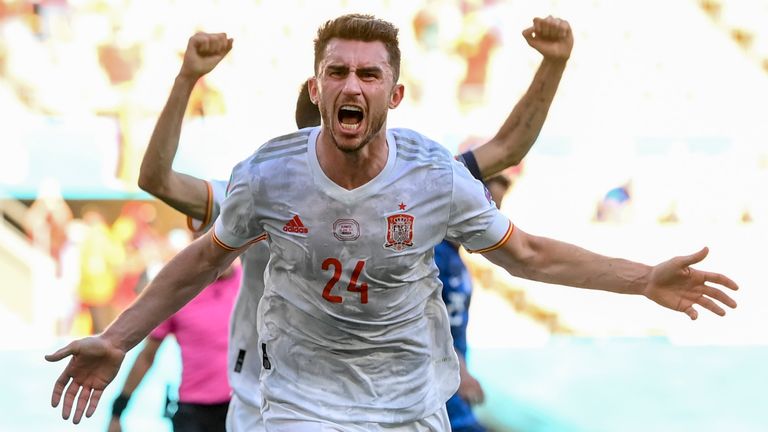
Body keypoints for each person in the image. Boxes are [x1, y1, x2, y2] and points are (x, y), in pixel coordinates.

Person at [47, 14, 739, 430]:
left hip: (405, 404)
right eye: (336, 75)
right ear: (316, 92)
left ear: (395, 94)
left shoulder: (434, 178)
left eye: (368, 76)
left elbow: (525, 243)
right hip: (287, 401)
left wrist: (644, 277)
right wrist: (117, 335)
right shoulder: (261, 180)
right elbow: (193, 247)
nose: (351, 87)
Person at [135, 14, 571, 432]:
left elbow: (507, 150)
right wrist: (187, 79)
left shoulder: (414, 183)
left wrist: (553, 63)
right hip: (270, 394)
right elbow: (157, 179)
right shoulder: (263, 190)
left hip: (373, 398)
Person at [107, 233, 240, 432]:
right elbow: (147, 357)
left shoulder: (252, 283)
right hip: (194, 412)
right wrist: (118, 411)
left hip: (243, 407)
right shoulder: (181, 290)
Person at [437, 174, 511, 432]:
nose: (491, 218)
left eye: (496, 209)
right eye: (487, 207)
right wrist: (461, 373)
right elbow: (423, 321)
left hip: (454, 395)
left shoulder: (455, 257)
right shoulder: (432, 255)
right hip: (438, 393)